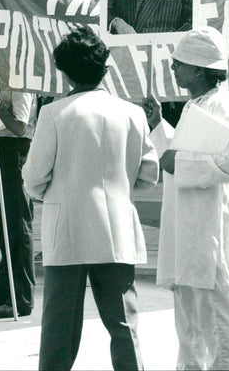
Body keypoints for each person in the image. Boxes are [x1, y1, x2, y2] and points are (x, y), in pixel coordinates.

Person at [22, 27, 158, 370]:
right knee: (125, 324)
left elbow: (34, 178)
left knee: (59, 328)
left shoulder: (54, 113)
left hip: (66, 230)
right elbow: (149, 174)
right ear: (106, 69)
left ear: (64, 72)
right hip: (116, 230)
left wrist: (50, 192)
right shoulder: (133, 113)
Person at [142, 26, 229, 370]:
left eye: (178, 64)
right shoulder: (198, 104)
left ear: (198, 68)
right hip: (187, 223)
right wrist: (158, 124)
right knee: (188, 313)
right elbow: (180, 153)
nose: (173, 69)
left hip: (208, 225)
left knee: (212, 310)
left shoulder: (225, 105)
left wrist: (180, 161)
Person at [0, 80, 39, 318]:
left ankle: (22, 298)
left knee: (17, 225)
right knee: (4, 227)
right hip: (1, 146)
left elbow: (20, 126)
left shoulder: (21, 84)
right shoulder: (2, 79)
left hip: (14, 150)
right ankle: (4, 290)